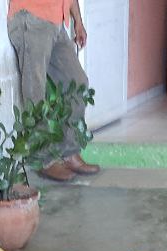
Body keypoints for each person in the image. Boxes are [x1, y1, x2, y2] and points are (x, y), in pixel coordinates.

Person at [7, 0, 101, 182]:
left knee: (77, 83)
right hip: (33, 18)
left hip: (57, 21)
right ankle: (43, 159)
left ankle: (69, 152)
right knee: (35, 92)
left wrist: (78, 22)